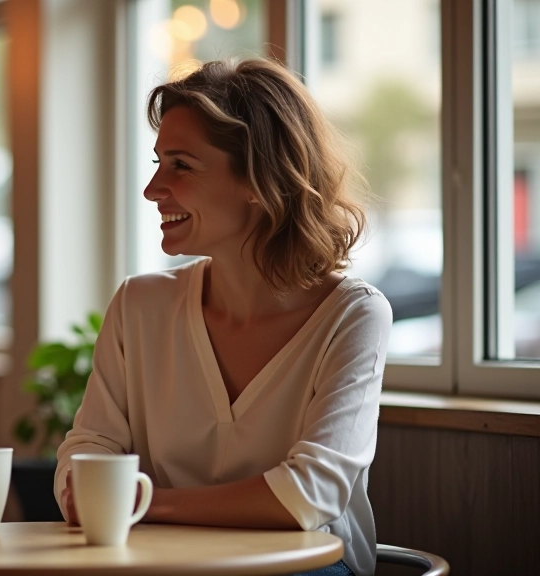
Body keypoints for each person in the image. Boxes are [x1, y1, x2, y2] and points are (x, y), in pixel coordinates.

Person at [54, 58, 391, 576]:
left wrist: (147, 505)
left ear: (258, 178)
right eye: (157, 162)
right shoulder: (139, 306)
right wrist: (84, 486)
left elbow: (308, 496)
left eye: (181, 165)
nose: (152, 189)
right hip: (160, 563)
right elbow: (87, 448)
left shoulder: (353, 316)